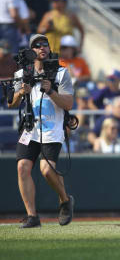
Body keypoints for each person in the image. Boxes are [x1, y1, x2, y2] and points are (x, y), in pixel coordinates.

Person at [7, 34, 74, 228]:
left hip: (52, 130)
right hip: (30, 128)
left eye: (45, 44)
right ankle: (32, 216)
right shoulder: (21, 73)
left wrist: (51, 91)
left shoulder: (61, 73)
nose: (42, 48)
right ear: (30, 50)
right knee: (22, 168)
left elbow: (68, 103)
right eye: (36, 45)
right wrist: (21, 92)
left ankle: (65, 200)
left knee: (46, 170)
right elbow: (11, 103)